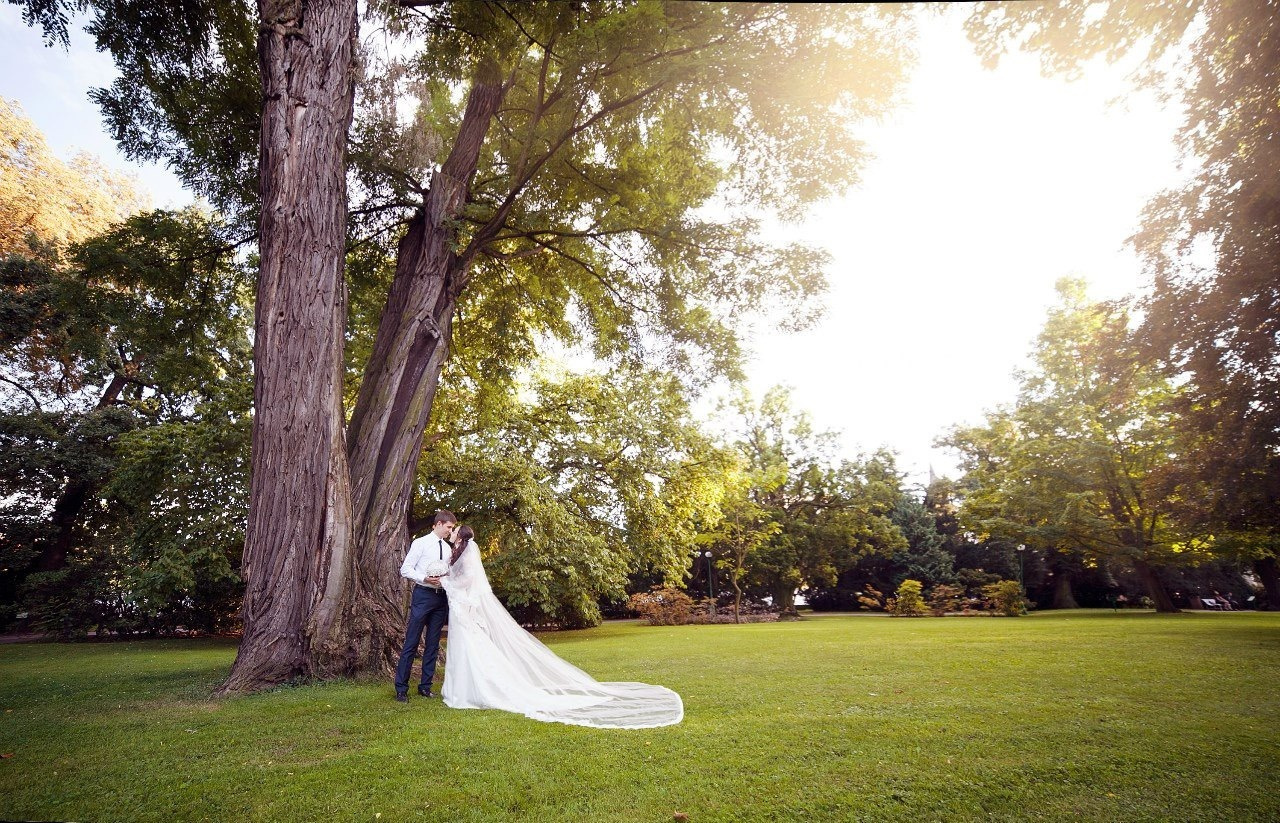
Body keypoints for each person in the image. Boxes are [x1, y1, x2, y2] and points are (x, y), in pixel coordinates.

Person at [437, 524, 683, 729]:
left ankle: (476, 690)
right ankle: (462, 689)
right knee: (464, 645)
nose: (453, 531)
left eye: (455, 529)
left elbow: (469, 579)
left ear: (462, 535)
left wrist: (447, 582)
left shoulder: (468, 552)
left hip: (464, 604)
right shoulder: (456, 550)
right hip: (460, 605)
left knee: (471, 646)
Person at [394, 510, 458, 702]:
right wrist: (424, 578)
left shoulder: (447, 549)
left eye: (452, 528)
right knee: (412, 642)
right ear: (438, 524)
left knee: (432, 645)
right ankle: (401, 689)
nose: (450, 531)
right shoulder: (420, 543)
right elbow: (405, 569)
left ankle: (425, 686)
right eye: (449, 527)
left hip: (441, 599)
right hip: (422, 596)